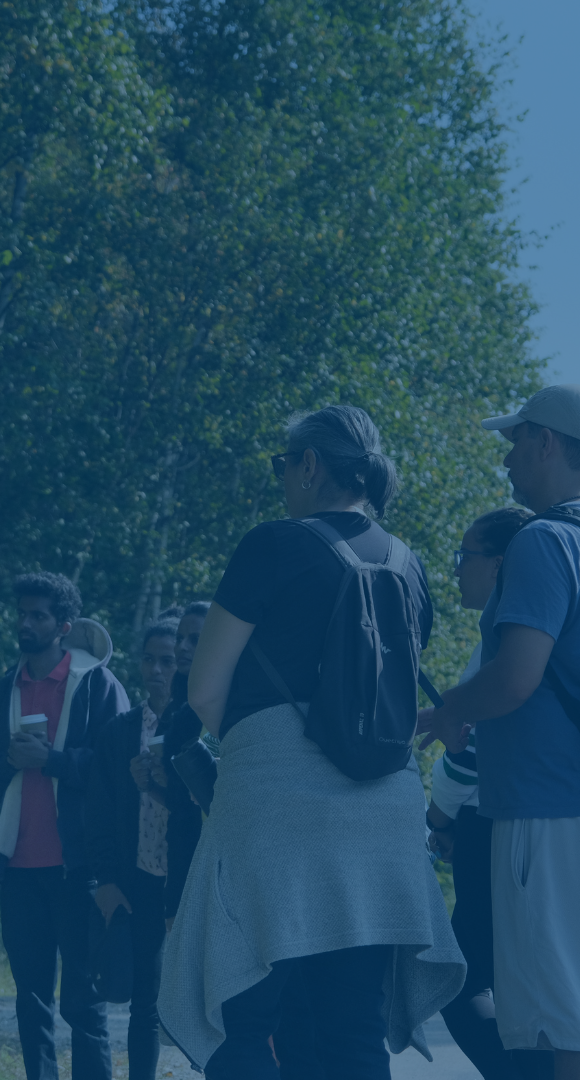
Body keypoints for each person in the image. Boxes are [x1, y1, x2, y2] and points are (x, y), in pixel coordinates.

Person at [157, 404, 465, 1079]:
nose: (281, 479)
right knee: (351, 1026)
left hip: (278, 810)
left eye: (282, 464)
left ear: (311, 465)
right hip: (382, 817)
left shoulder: (273, 544)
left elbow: (205, 691)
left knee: (247, 1016)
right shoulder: (410, 567)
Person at [424, 385, 580, 1080]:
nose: (508, 459)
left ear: (547, 441)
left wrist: (448, 709)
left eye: (516, 441)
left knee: (556, 1025)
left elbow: (516, 677)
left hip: (546, 811)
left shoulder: (545, 541)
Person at [0, 572, 130, 1080]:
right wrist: (8, 763)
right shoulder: (4, 690)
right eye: (21, 614)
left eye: (37, 615)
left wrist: (51, 760)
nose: (25, 624)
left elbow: (119, 773)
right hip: (18, 869)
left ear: (64, 625)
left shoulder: (97, 685)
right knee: (30, 1000)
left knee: (84, 1002)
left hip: (77, 869)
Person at [427, 507, 554, 1080]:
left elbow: (472, 750)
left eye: (466, 557)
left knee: (464, 984)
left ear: (501, 563)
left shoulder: (507, 637)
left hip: (492, 826)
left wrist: (440, 815)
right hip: (509, 823)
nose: (457, 570)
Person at [87, 619, 181, 1080]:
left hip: (192, 879)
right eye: (149, 658)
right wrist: (104, 879)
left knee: (216, 996)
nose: (157, 670)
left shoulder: (202, 725)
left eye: (168, 660)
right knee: (143, 999)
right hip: (139, 877)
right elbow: (99, 813)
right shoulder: (119, 732)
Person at [159, 601, 210, 925]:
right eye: (180, 638)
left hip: (212, 852)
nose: (182, 647)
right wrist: (151, 785)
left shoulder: (222, 705)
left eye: (195, 639)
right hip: (181, 848)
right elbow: (181, 801)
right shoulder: (179, 707)